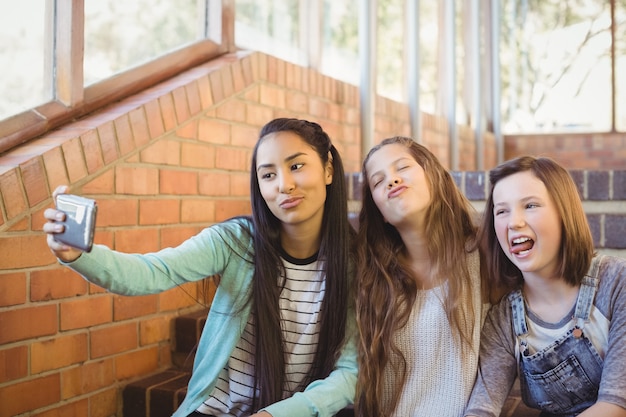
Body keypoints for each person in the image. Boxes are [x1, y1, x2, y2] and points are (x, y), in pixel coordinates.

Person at [43, 118, 358, 417]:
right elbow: (150, 272)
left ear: (328, 169)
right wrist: (79, 254)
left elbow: (350, 373)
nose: (284, 185)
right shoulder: (236, 241)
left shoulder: (355, 265)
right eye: (268, 174)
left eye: (296, 166)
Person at [464, 156, 626, 417]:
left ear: (565, 213)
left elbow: (616, 406)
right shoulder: (504, 319)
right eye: (501, 210)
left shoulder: (616, 283)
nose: (514, 222)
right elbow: (481, 407)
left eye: (530, 205)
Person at [354, 136, 489, 417]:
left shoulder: (482, 255)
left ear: (433, 175)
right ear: (381, 214)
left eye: (402, 167)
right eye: (378, 182)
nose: (391, 181)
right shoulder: (371, 279)